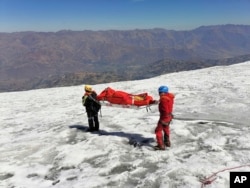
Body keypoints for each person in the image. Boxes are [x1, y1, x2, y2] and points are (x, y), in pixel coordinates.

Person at [154, 85, 175, 150]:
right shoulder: (169, 97)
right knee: (166, 128)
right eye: (159, 92)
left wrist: (163, 119)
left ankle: (161, 145)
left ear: (164, 92)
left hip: (164, 117)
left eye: (161, 92)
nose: (159, 93)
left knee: (158, 130)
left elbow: (165, 109)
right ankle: (167, 142)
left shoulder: (163, 99)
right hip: (169, 116)